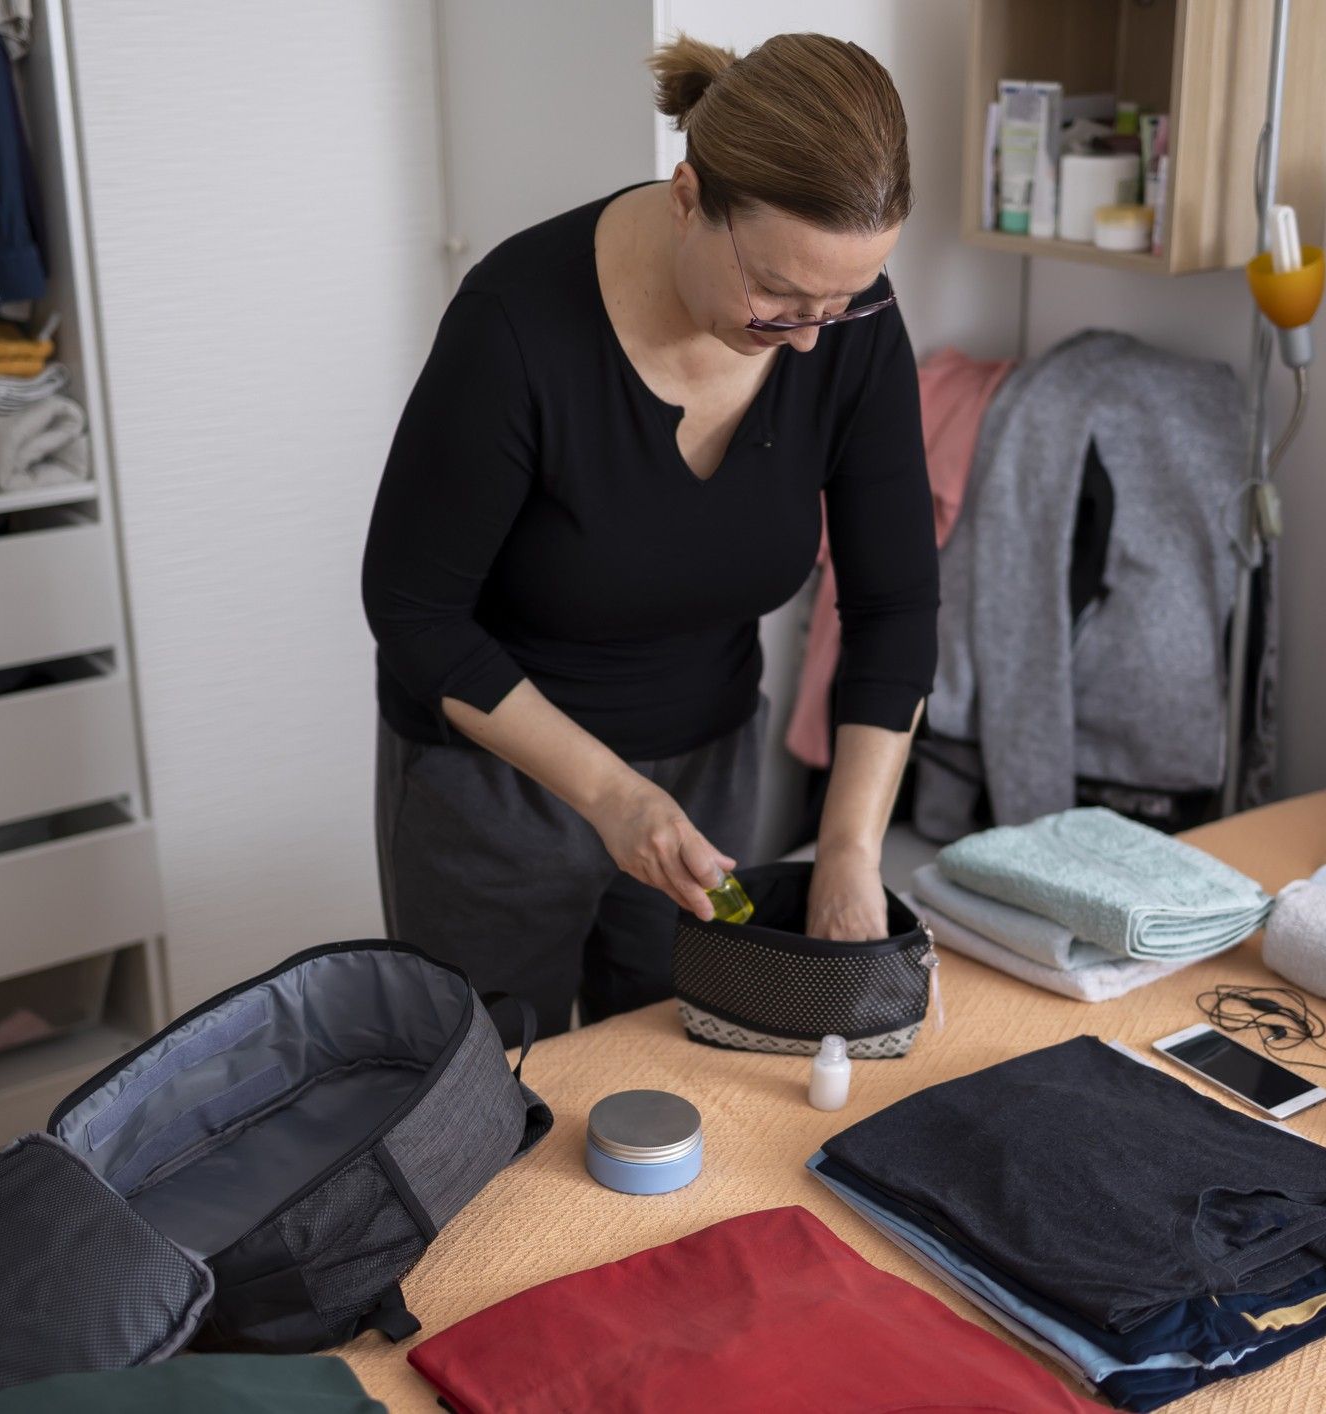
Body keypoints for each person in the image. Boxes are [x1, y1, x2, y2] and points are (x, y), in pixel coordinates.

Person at [363, 32, 937, 1043]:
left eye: (840, 302)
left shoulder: (846, 331)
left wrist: (849, 851)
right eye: (778, 294)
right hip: (495, 785)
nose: (810, 335)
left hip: (708, 776)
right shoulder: (516, 325)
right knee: (490, 1092)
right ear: (687, 198)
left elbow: (892, 606)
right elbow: (413, 612)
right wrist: (611, 796)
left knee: (684, 1073)